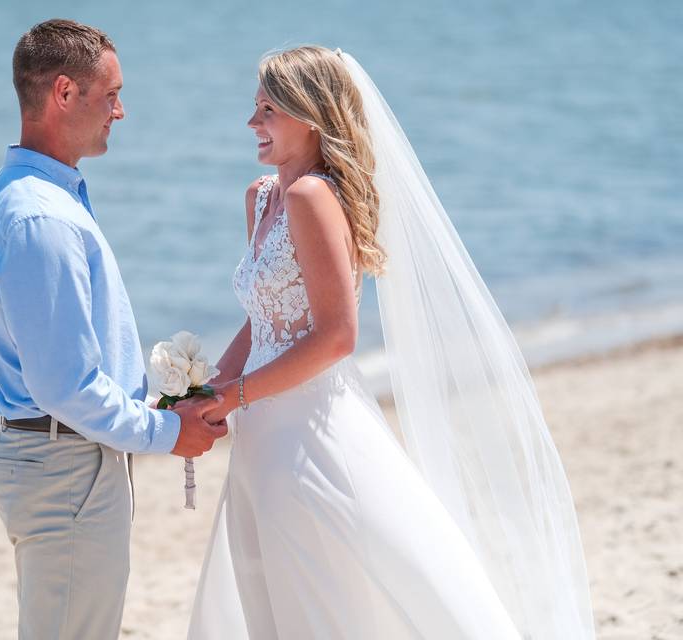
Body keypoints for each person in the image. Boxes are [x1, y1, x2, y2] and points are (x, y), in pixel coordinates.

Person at [188, 46, 596, 639]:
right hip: (260, 437)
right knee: (276, 594)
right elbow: (260, 319)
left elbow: (337, 336)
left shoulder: (313, 197)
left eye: (269, 110)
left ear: (310, 114)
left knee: (330, 597)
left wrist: (235, 395)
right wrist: (204, 391)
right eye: (255, 108)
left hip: (310, 433)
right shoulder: (261, 198)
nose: (253, 123)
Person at [0, 19, 227, 640]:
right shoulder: (39, 217)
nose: (121, 111)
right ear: (63, 93)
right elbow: (65, 384)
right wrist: (165, 431)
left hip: (60, 457)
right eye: (111, 95)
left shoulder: (19, 197)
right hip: (65, 464)